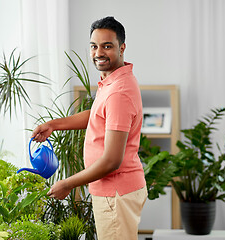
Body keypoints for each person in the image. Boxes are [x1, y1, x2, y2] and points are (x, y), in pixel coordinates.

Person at [31, 16, 147, 240]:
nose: (98, 53)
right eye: (94, 46)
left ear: (121, 48)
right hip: (117, 191)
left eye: (107, 46)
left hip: (115, 192)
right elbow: (97, 115)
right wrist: (53, 125)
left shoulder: (118, 92)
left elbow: (112, 160)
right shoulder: (113, 80)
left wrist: (67, 183)